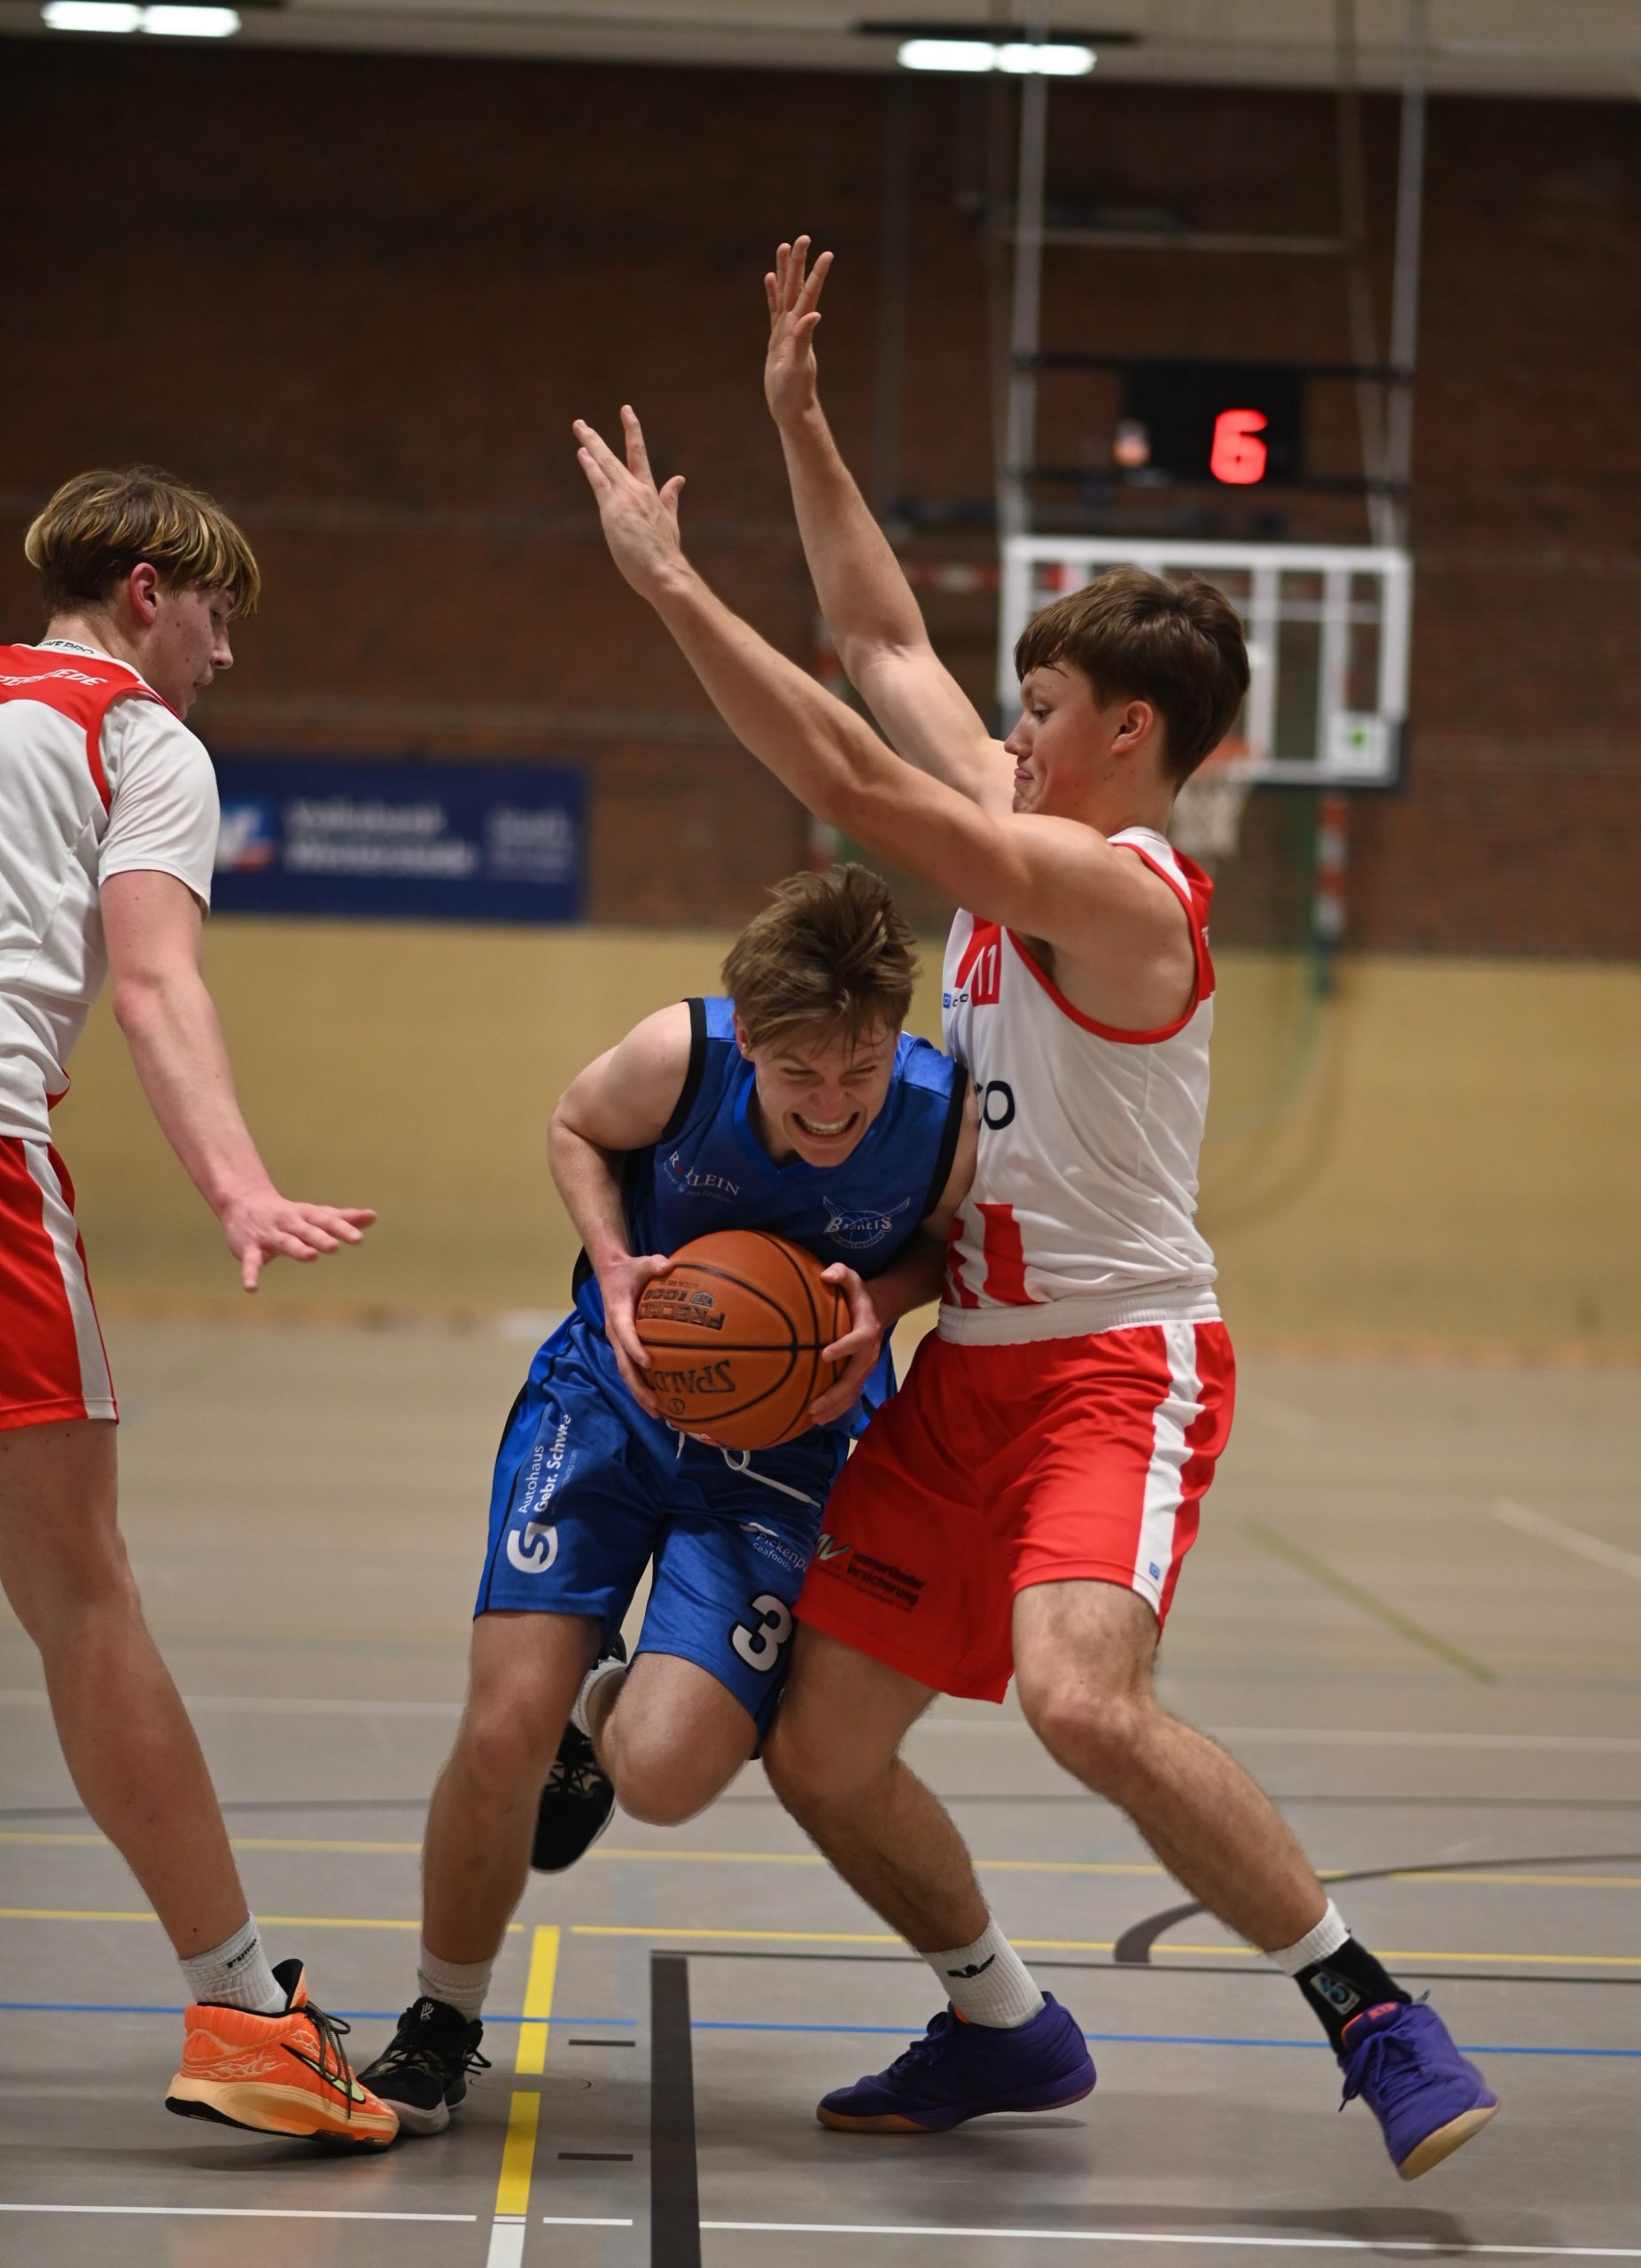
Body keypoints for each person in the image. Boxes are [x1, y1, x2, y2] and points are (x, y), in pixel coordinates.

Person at [564, 237, 1499, 2183]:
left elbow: (846, 761)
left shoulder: (1125, 892)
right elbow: (875, 643)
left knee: (1081, 1700)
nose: (1007, 724)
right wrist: (799, 424)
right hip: (966, 1369)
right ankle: (1001, 2023)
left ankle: (1371, 2009)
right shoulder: (1028, 831)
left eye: (1042, 701)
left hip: (1114, 1365)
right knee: (820, 1747)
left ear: (1126, 735)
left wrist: (666, 586)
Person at [359, 864, 973, 2134]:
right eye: (800, 1075)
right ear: (750, 1040)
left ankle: (599, 1715)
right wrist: (612, 1264)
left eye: (859, 1070)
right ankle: (440, 2020)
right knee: (499, 1733)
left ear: (893, 1036)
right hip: (611, 1399)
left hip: (787, 1447)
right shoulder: (678, 1060)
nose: (834, 1105)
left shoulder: (941, 1116)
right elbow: (575, 1127)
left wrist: (883, 1303)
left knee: (666, 1773)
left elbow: (944, 1246)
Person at [0, 467, 395, 2146]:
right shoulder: (136, 734)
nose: (225, 655)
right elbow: (155, 983)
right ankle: (243, 2014)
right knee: (84, 1600)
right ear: (148, 592)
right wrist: (238, 1183)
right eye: (218, 615)